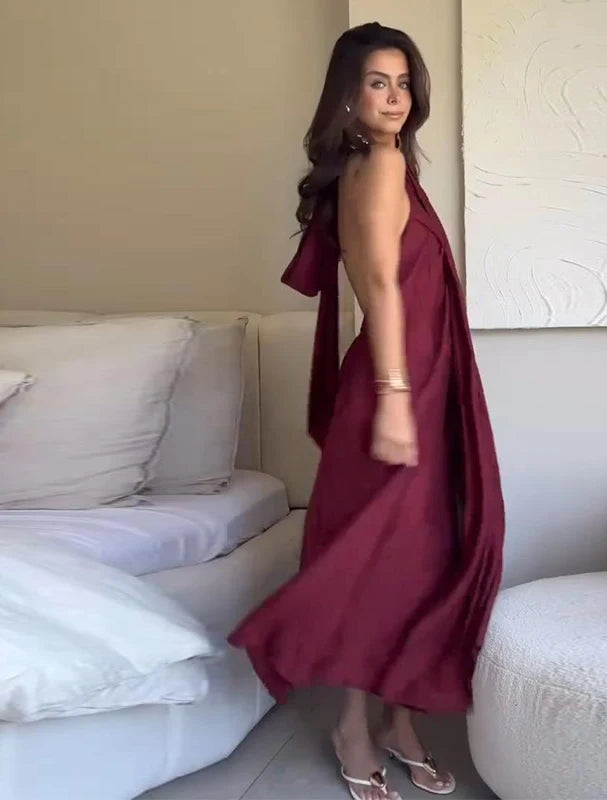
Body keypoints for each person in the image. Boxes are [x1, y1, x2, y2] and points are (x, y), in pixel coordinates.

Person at [228, 21, 505, 800]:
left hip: (421, 384)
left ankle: (400, 720)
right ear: (347, 95)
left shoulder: (387, 167)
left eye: (404, 82)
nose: (393, 97)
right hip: (398, 388)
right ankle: (356, 723)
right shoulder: (377, 168)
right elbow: (378, 286)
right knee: (371, 565)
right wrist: (392, 398)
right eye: (377, 82)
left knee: (417, 560)